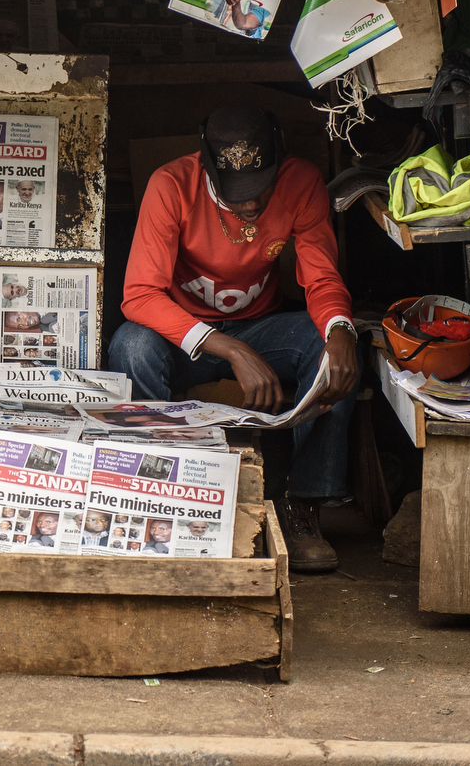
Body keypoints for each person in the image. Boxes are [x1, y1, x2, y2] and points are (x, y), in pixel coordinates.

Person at [108, 104, 358, 572]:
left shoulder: (301, 183)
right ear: (206, 166)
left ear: (279, 162)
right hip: (183, 335)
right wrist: (230, 348)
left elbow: (320, 279)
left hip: (263, 328)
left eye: (259, 191)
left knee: (330, 353)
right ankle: (155, 492)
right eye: (235, 194)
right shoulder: (171, 185)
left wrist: (341, 329)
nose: (248, 205)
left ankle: (301, 506)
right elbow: (140, 295)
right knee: (129, 344)